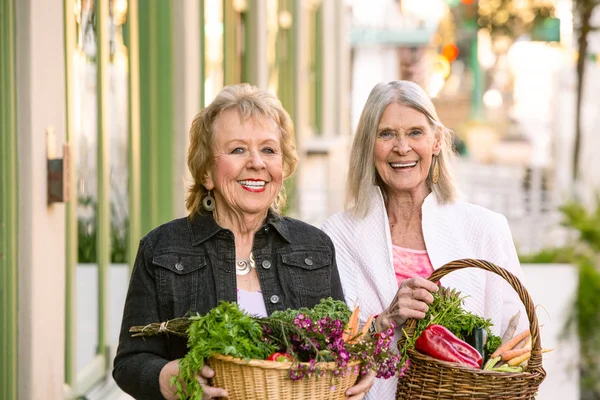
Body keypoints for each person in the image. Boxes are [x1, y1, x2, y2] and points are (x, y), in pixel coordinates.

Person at [113, 83, 374, 399]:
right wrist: (172, 377)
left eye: (268, 150)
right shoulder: (162, 249)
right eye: (238, 149)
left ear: (282, 166)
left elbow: (341, 344)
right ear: (207, 171)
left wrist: (356, 368)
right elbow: (129, 363)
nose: (256, 163)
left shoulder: (314, 247)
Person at [322, 80, 528, 399]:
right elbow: (325, 353)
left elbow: (519, 340)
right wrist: (386, 320)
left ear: (436, 140)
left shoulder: (485, 229)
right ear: (368, 145)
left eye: (415, 132)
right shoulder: (337, 236)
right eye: (386, 133)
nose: (402, 147)